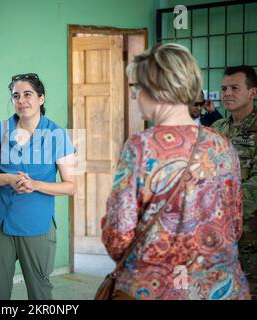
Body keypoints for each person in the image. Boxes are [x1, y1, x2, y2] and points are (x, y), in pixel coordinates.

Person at [101, 43, 250, 300]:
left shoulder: (142, 146)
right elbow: (235, 225)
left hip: (159, 288)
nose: (135, 95)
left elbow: (118, 233)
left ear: (157, 88)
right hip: (222, 286)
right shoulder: (222, 144)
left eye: (136, 87)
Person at [0, 73, 77, 300]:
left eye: (27, 94)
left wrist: (35, 184)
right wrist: (9, 179)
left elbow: (71, 186)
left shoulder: (57, 136)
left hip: (37, 224)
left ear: (41, 98)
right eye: (16, 96)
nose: (21, 101)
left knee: (40, 294)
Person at [211, 65, 257, 299]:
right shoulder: (216, 130)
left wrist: (223, 212)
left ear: (253, 92)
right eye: (224, 88)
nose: (227, 93)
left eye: (235, 88)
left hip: (250, 239)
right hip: (218, 240)